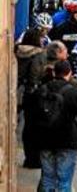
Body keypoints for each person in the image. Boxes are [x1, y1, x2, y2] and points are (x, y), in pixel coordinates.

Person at [34, 60, 77, 192]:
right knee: (64, 181)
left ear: (54, 72)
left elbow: (32, 113)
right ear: (69, 73)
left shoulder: (41, 90)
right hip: (68, 140)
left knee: (47, 178)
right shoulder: (73, 92)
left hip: (45, 140)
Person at [15, 28, 46, 168]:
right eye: (40, 38)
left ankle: (29, 157)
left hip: (18, 90)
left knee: (25, 126)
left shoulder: (18, 51)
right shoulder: (38, 54)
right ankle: (33, 159)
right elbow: (35, 74)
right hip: (32, 92)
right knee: (34, 127)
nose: (42, 40)